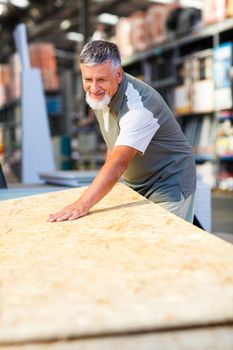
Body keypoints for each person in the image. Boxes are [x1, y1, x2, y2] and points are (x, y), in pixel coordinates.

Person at [48, 40, 196, 223]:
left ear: (118, 75)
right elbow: (114, 143)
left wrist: (82, 204)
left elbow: (119, 162)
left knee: (160, 244)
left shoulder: (139, 108)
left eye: (101, 79)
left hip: (168, 183)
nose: (93, 88)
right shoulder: (101, 94)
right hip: (137, 183)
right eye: (87, 79)